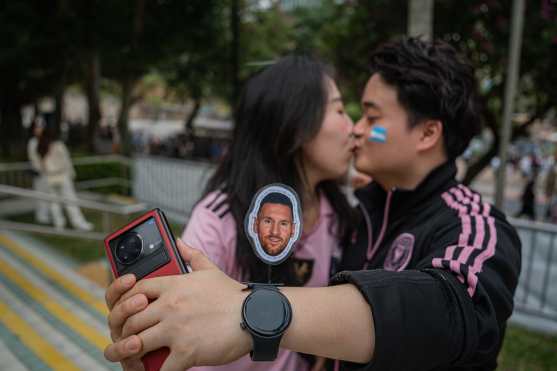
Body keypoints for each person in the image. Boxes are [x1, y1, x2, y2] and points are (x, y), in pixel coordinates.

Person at [104, 38, 521, 371]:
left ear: (427, 134)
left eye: (371, 118)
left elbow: (450, 308)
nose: (357, 130)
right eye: (344, 112)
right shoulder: (364, 215)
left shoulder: (471, 227)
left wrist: (252, 312)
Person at [178, 55, 355, 371]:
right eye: (340, 110)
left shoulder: (336, 213)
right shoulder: (220, 220)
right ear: (295, 125)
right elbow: (182, 333)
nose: (352, 128)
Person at [37, 122, 94, 231]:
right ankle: (78, 223)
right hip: (62, 176)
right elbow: (66, 161)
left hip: (49, 178)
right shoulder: (58, 145)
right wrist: (72, 174)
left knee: (54, 202)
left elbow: (41, 165)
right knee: (71, 200)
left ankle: (59, 224)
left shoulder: (40, 147)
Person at [27, 115, 51, 224]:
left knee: (48, 194)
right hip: (39, 173)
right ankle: (41, 216)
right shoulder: (32, 142)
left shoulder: (47, 140)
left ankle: (47, 214)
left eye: (40, 127)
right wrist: (42, 167)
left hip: (49, 173)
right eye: (37, 127)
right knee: (40, 194)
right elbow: (34, 158)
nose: (38, 129)